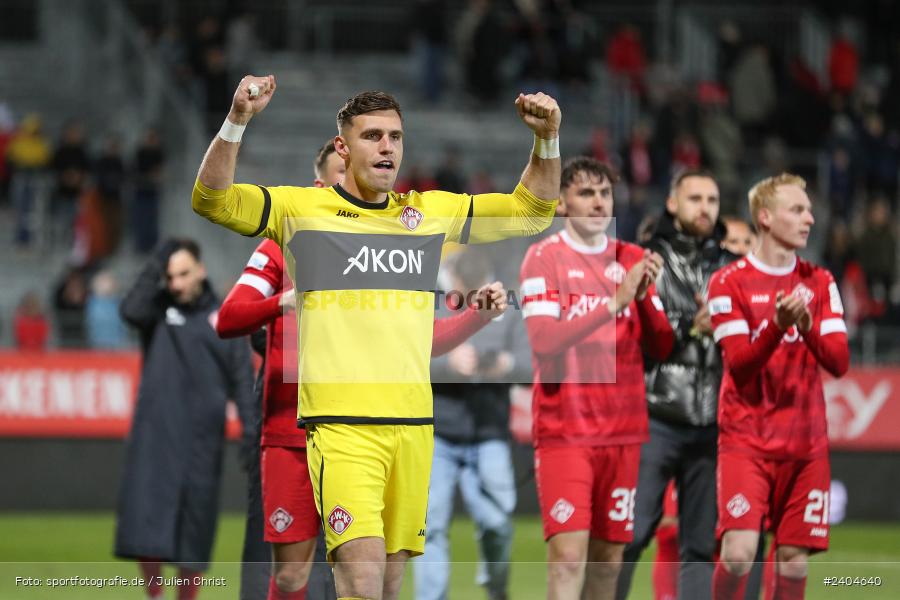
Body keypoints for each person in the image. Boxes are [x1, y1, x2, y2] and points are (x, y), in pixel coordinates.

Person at [192, 77, 561, 600]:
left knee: (388, 589)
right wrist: (237, 120)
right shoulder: (301, 211)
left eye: (394, 136)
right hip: (342, 430)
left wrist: (547, 140)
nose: (386, 147)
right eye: (372, 136)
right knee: (360, 584)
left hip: (412, 427)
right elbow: (211, 200)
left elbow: (532, 211)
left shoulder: (429, 214)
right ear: (343, 147)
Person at [519, 157, 674, 600]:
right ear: (563, 203)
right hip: (565, 431)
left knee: (608, 562)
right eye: (586, 192)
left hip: (622, 433)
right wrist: (613, 302)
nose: (598, 201)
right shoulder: (543, 258)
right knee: (568, 557)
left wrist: (642, 298)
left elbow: (662, 345)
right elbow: (544, 340)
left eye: (605, 192)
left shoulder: (632, 258)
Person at [708, 173, 849, 599]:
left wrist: (806, 327)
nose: (809, 218)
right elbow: (740, 366)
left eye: (808, 210)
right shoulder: (728, 282)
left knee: (793, 559)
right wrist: (777, 325)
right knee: (738, 553)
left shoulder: (820, 282)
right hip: (746, 441)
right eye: (797, 210)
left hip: (806, 446)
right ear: (765, 217)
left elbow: (839, 363)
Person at [616, 170, 735, 600]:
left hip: (711, 423)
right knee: (629, 536)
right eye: (695, 198)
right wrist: (695, 326)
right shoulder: (647, 259)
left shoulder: (729, 265)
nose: (705, 207)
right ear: (672, 204)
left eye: (712, 199)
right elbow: (639, 335)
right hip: (655, 415)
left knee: (701, 547)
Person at [115, 238, 256, 600]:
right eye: (170, 276)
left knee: (194, 530)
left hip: (201, 442)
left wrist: (251, 436)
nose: (175, 283)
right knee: (147, 524)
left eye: (183, 274)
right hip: (155, 435)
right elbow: (130, 310)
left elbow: (242, 382)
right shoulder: (156, 309)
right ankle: (156, 596)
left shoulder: (224, 319)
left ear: (201, 271)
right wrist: (157, 259)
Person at [415, 250, 525, 600]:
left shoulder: (507, 304)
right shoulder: (430, 300)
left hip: (489, 430)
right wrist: (448, 364)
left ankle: (496, 587)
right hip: (439, 431)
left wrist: (502, 364)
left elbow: (530, 360)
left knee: (497, 524)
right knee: (428, 529)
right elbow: (405, 357)